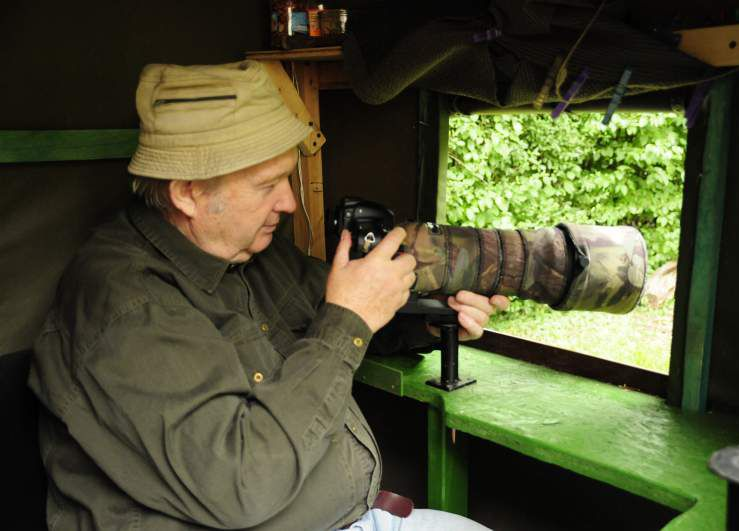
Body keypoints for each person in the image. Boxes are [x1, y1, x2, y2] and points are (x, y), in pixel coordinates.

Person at [28, 60, 509, 531]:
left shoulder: (252, 252)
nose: (289, 203)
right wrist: (350, 318)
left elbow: (336, 318)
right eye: (267, 184)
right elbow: (241, 484)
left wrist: (427, 319)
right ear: (189, 193)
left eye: (288, 176)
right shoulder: (127, 307)